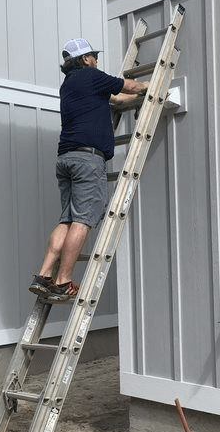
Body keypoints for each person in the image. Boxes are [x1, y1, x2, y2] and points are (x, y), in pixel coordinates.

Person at [29, 38, 149, 302]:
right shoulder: (92, 76)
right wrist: (148, 88)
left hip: (66, 158)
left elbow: (116, 100)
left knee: (67, 219)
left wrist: (130, 96)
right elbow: (128, 86)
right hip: (87, 159)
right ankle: (63, 281)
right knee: (82, 221)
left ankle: (45, 275)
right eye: (93, 56)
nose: (96, 59)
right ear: (85, 60)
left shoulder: (69, 85)